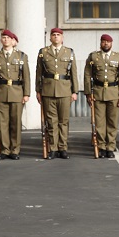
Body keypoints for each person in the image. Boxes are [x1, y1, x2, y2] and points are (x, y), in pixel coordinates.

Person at [36, 27, 79, 159]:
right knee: (51, 121)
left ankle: (63, 148)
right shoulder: (43, 52)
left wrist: (75, 91)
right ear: (50, 37)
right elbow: (39, 73)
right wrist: (38, 90)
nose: (56, 37)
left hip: (65, 90)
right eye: (53, 35)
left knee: (63, 121)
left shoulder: (69, 52)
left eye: (58, 35)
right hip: (48, 90)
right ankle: (53, 148)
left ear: (62, 37)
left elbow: (74, 73)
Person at [0, 29, 30, 159]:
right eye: (3, 37)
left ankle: (15, 150)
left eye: (8, 37)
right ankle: (5, 150)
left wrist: (26, 93)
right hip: (0, 92)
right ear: (1, 40)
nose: (5, 39)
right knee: (2, 123)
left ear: (13, 41)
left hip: (17, 92)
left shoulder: (21, 56)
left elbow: (26, 76)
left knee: (15, 123)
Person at [84, 34, 119, 158]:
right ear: (100, 43)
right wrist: (88, 93)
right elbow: (87, 75)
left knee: (112, 122)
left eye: (108, 42)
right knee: (99, 122)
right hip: (98, 92)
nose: (106, 44)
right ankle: (101, 146)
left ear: (111, 43)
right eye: (104, 42)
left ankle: (110, 147)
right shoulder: (93, 57)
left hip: (114, 93)